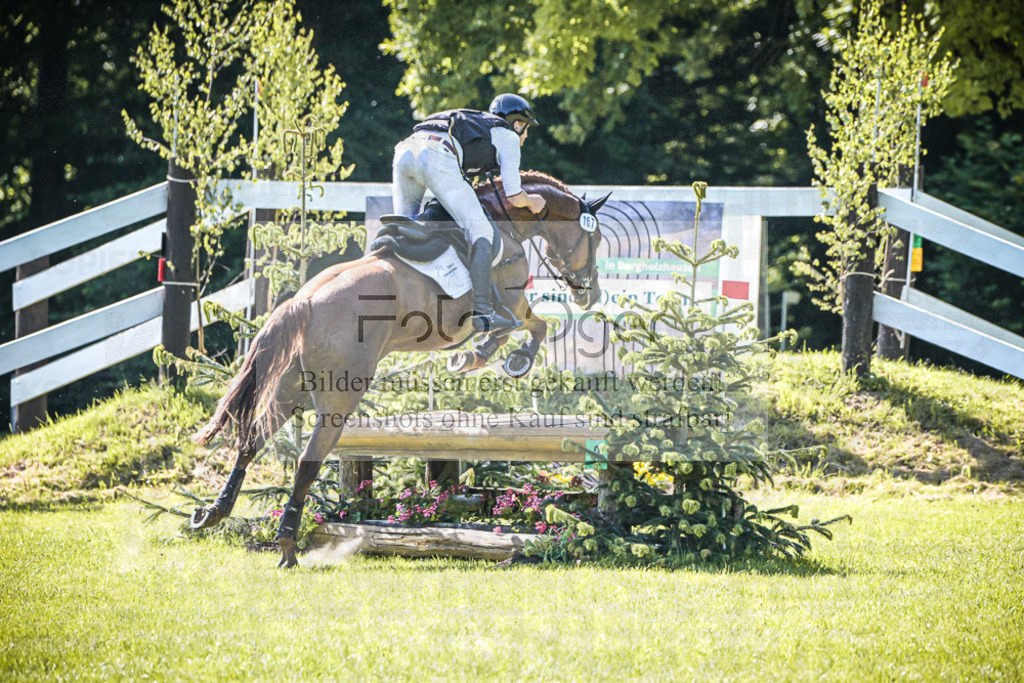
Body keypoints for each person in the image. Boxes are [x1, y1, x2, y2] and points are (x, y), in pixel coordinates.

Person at [391, 93, 547, 334]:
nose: (525, 136)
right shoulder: (507, 135)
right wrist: (533, 201)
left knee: (403, 227)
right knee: (481, 230)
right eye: (525, 130)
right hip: (438, 153)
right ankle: (484, 313)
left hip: (405, 150)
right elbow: (514, 194)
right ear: (517, 124)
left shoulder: (478, 128)